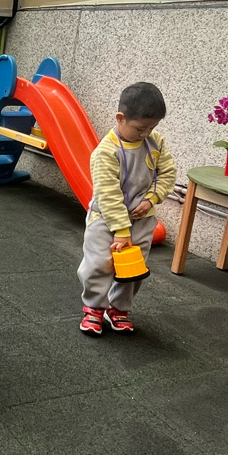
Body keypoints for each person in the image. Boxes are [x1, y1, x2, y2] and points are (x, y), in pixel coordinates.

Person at [78, 82, 176, 336]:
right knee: (99, 264)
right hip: (106, 219)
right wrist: (121, 231)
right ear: (120, 118)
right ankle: (94, 308)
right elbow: (108, 195)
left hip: (142, 220)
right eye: (140, 128)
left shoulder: (155, 143)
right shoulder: (105, 153)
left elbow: (167, 174)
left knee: (134, 269)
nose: (146, 134)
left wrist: (152, 199)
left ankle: (118, 309)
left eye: (152, 128)